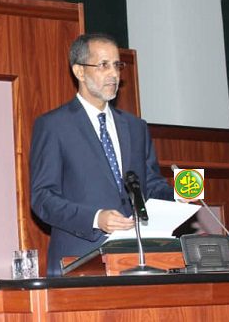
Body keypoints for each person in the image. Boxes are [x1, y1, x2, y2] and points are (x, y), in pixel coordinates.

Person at [29, 32, 173, 276]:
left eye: (117, 65)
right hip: (79, 261)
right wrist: (95, 218)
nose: (114, 74)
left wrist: (181, 194)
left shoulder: (136, 127)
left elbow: (151, 185)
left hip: (135, 259)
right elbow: (43, 198)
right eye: (104, 65)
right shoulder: (54, 125)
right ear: (79, 71)